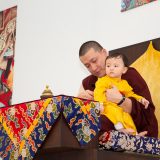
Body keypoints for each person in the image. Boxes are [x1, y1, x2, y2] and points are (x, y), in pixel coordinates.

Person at [78, 40, 158, 138]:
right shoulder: (87, 83)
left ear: (104, 53)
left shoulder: (128, 74)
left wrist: (121, 100)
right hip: (103, 139)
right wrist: (80, 102)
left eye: (94, 61)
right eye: (87, 66)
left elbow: (148, 113)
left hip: (138, 133)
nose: (93, 68)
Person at [94, 52, 149, 134]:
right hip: (107, 106)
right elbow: (98, 92)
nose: (111, 68)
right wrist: (100, 104)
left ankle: (134, 133)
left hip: (119, 107)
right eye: (108, 66)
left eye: (115, 66)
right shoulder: (103, 81)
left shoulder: (124, 83)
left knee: (127, 116)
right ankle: (120, 130)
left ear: (124, 70)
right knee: (115, 113)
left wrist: (140, 99)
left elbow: (130, 94)